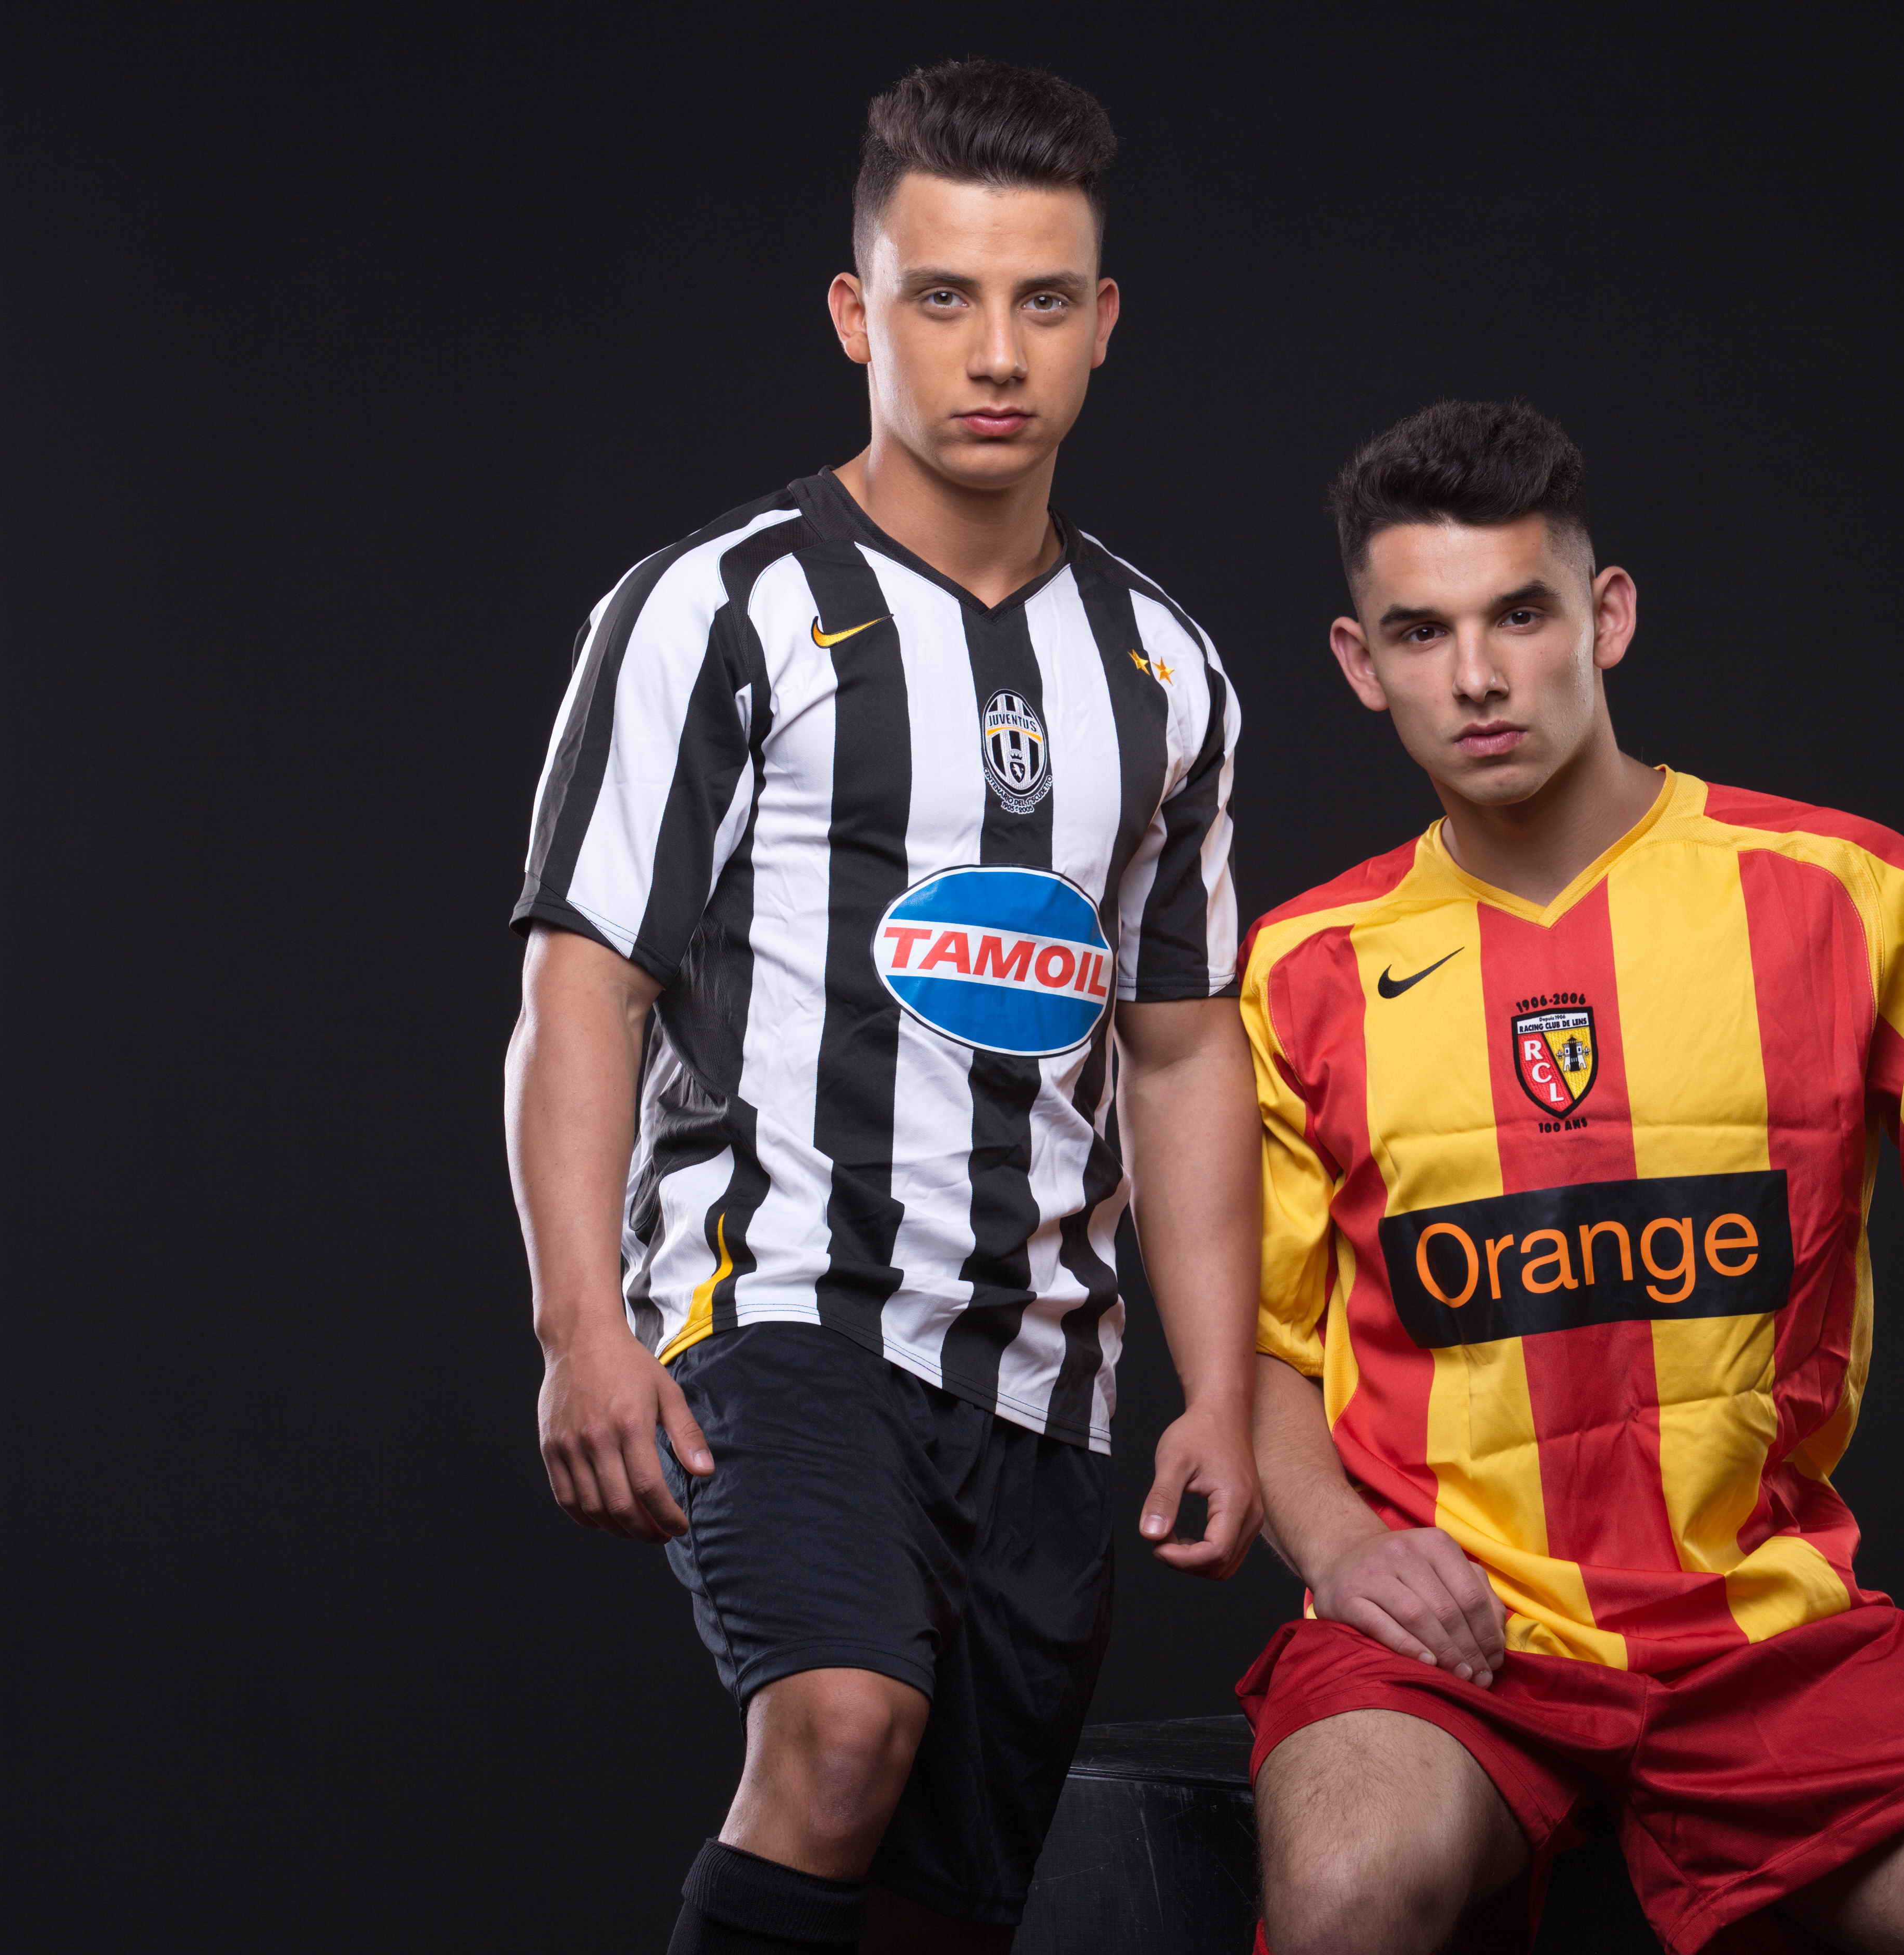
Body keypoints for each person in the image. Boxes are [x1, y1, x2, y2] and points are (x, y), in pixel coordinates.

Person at [1236, 401, 1904, 1955]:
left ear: (1606, 617)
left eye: (1520, 614)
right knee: (1348, 1887)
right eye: (1422, 632)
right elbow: (1270, 1350)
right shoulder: (1301, 971)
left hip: (1765, 1649)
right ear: (1360, 662)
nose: (1475, 676)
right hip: (1454, 1646)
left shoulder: (1842, 897)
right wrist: (1345, 1554)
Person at [503, 62, 1263, 1955]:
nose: (995, 353)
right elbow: (583, 980)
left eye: (1041, 300)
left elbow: (1182, 1050)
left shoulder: (1166, 670)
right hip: (783, 1306)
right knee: (840, 1735)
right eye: (943, 297)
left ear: (1104, 323)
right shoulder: (721, 609)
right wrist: (581, 1323)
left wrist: (1222, 1393)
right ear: (858, 314)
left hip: (1049, 1373)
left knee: (945, 1904)